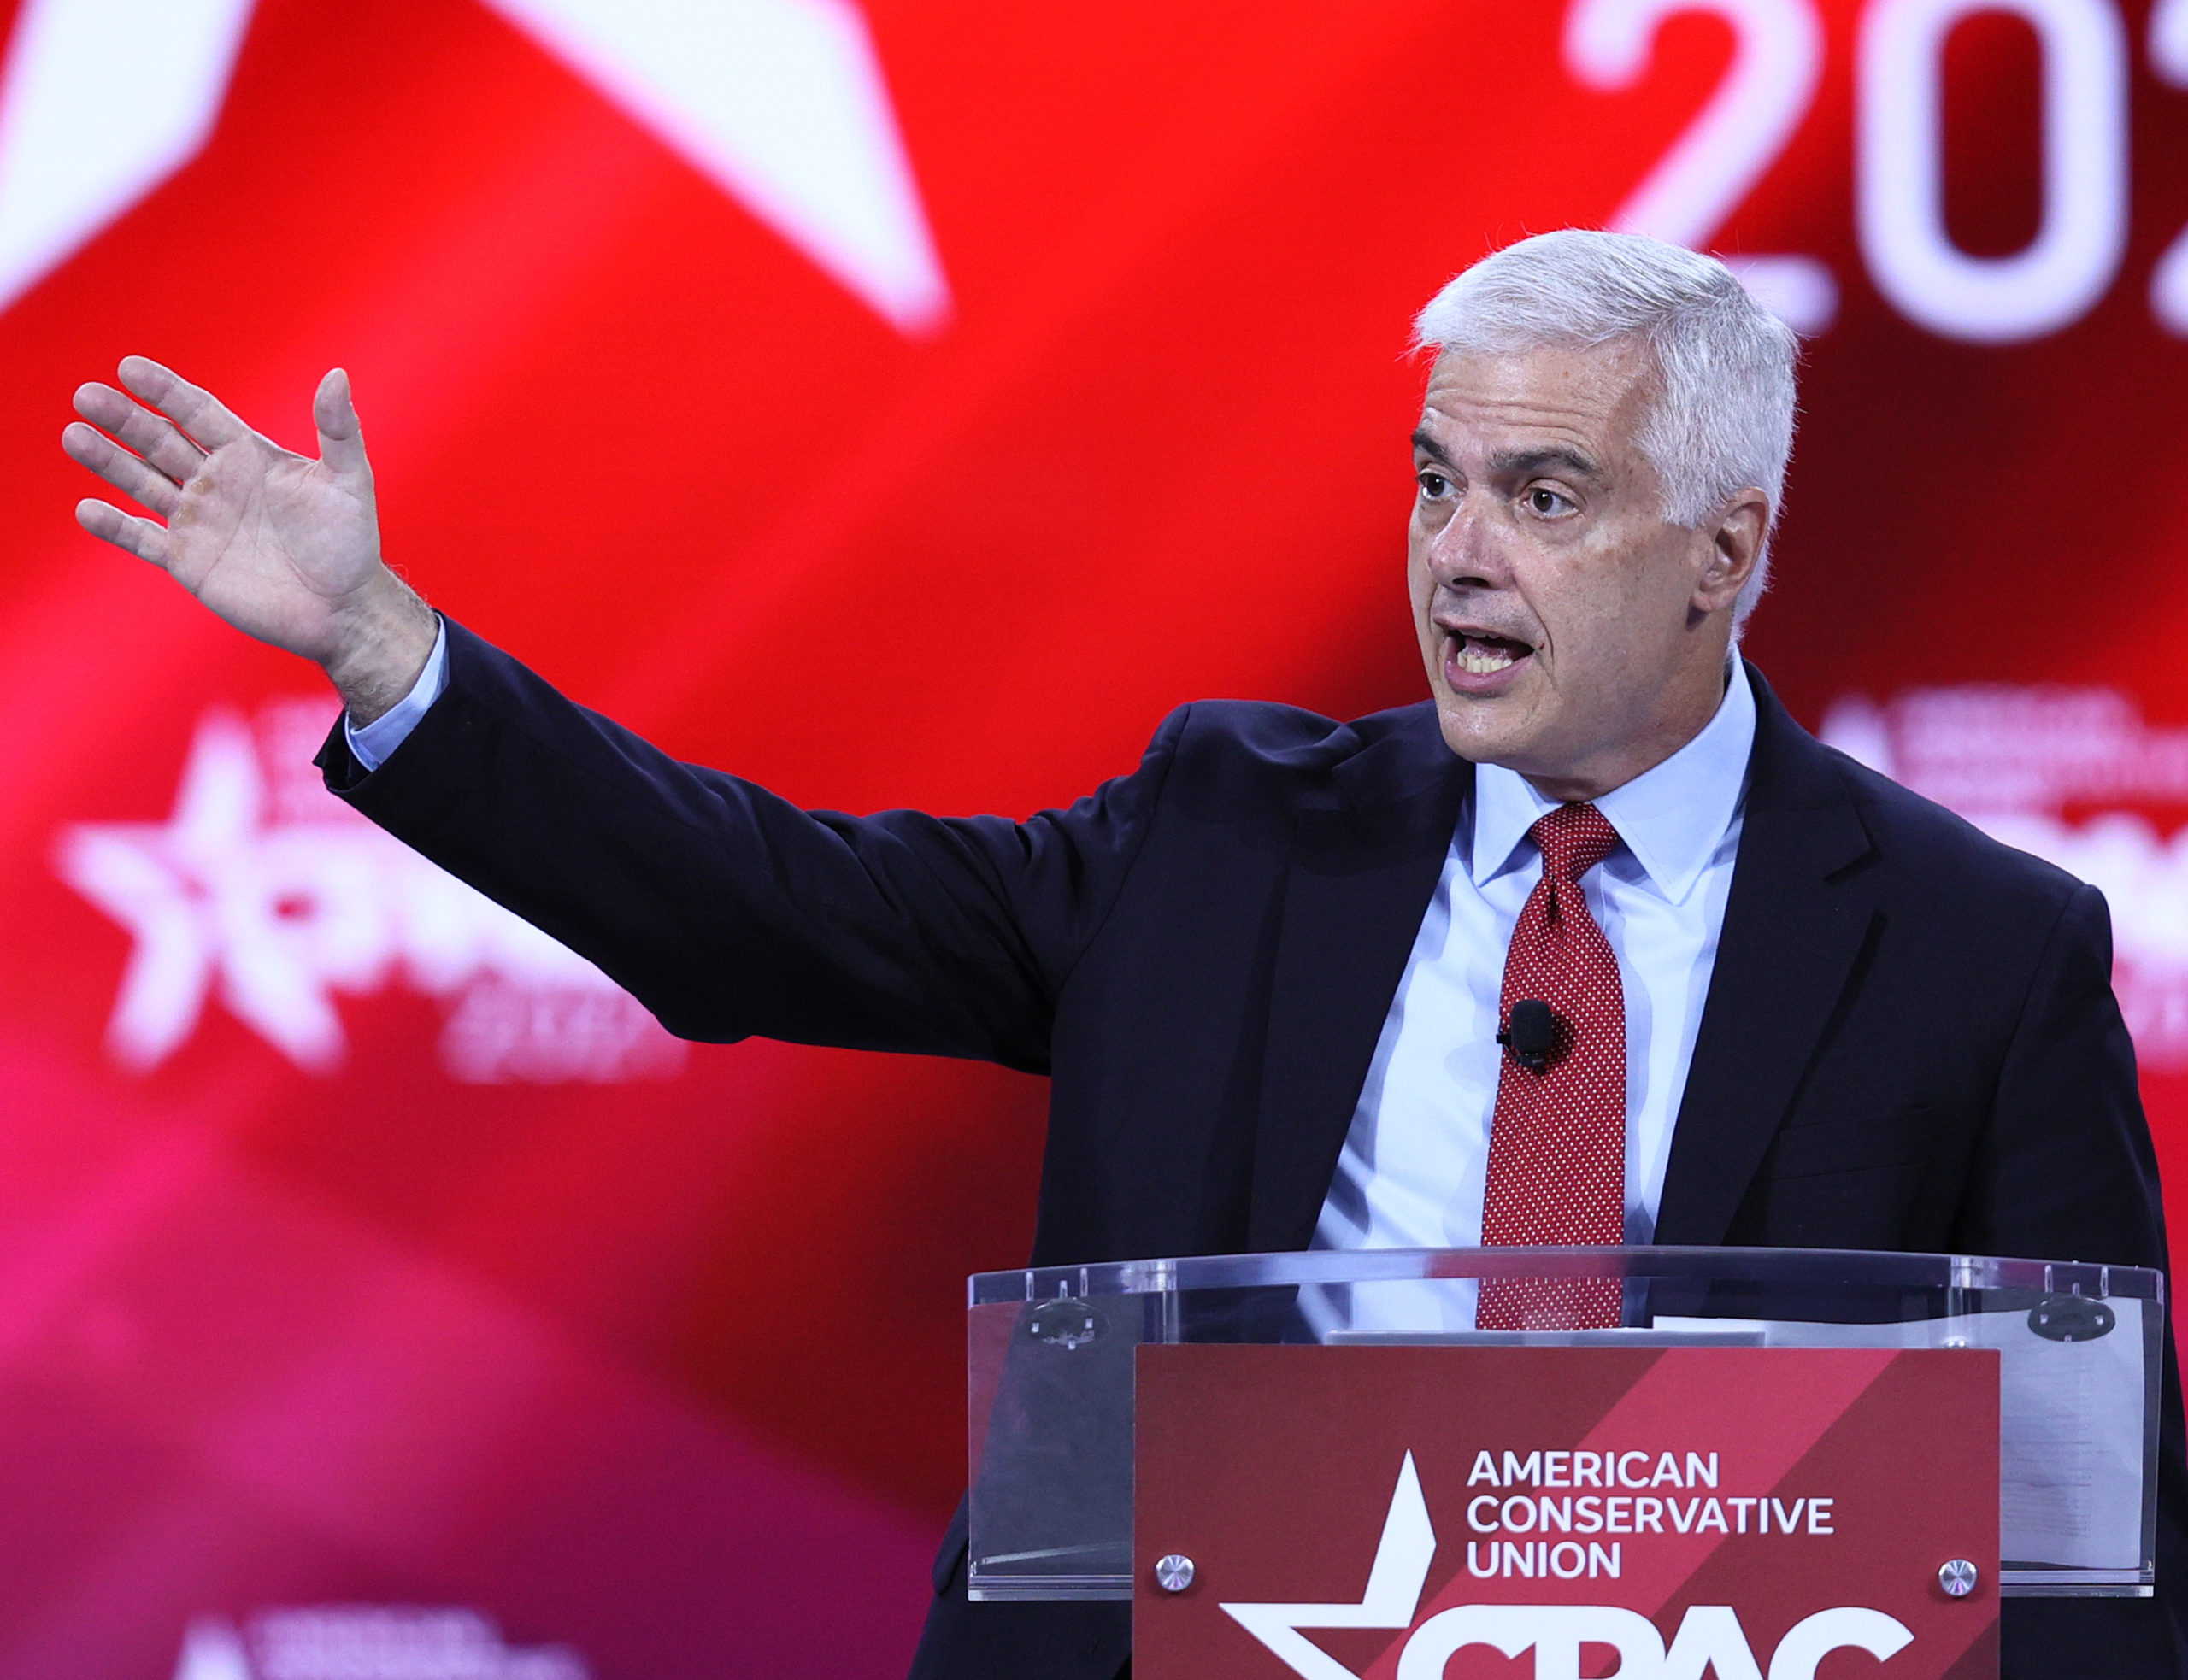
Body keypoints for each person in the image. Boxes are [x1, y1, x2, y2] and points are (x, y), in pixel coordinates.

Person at [62, 230, 2184, 1678]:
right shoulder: (1231, 834)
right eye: (1437, 482)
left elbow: (2092, 1535)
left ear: (1726, 546)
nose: (1458, 553)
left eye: (1544, 496)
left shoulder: (1975, 952)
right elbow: (761, 911)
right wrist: (385, 652)